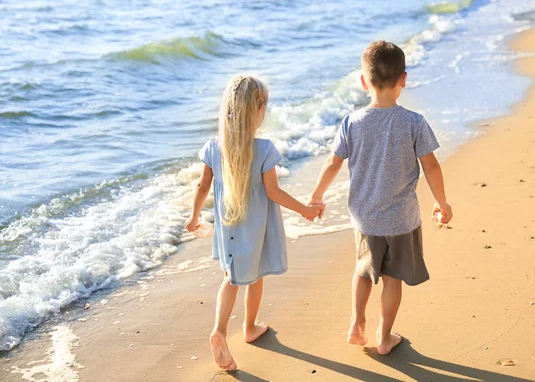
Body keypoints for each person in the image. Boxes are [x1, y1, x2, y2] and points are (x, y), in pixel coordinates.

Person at [308, 40, 452, 355]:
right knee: (392, 279)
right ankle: (385, 338)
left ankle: (356, 323)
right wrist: (442, 203)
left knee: (362, 270)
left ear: (363, 82)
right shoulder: (413, 122)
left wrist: (316, 197)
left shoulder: (351, 122)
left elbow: (333, 163)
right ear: (404, 79)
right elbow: (431, 165)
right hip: (401, 220)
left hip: (365, 218)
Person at [185, 75, 324, 371]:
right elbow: (273, 191)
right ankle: (234, 329)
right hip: (256, 228)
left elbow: (201, 187)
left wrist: (194, 217)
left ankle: (234, 329)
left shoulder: (213, 146)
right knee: (251, 277)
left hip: (227, 226)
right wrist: (305, 210)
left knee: (232, 276)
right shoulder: (263, 149)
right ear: (258, 109)